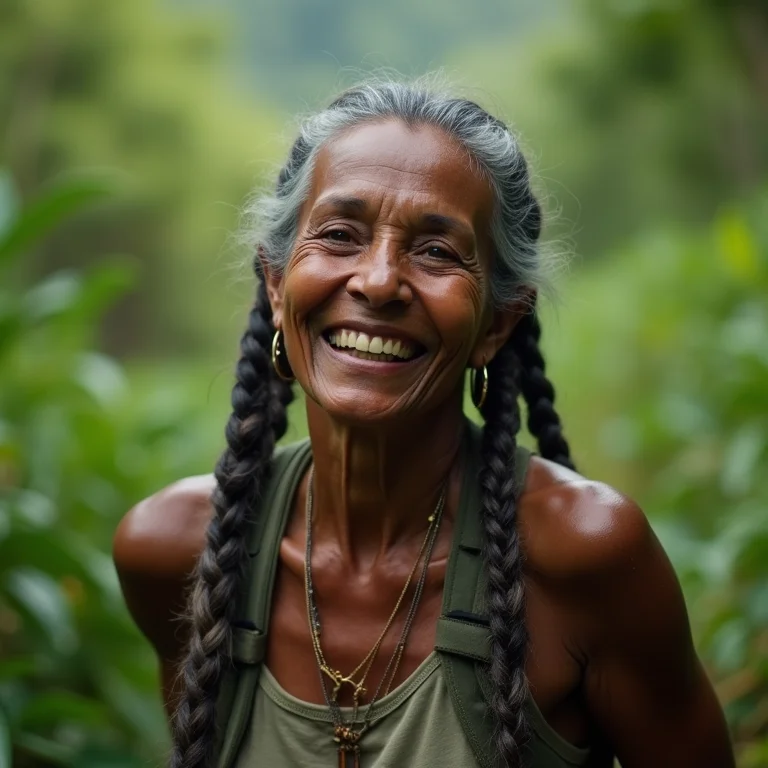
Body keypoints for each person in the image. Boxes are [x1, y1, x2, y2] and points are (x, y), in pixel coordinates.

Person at [113, 78, 735, 768]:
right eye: (340, 235)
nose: (379, 281)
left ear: (497, 323)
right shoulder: (175, 550)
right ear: (275, 282)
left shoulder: (587, 558)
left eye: (437, 251)